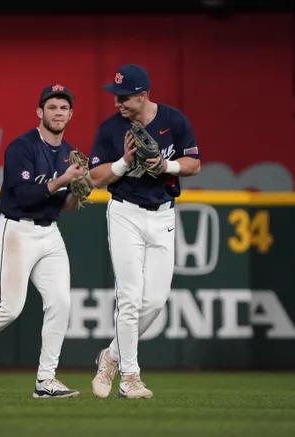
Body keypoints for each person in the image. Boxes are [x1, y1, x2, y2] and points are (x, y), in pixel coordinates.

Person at [0, 84, 87, 398]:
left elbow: (63, 205)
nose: (58, 112)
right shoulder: (22, 147)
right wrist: (65, 180)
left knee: (61, 303)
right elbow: (24, 195)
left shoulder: (68, 154)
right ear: (40, 112)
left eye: (64, 107)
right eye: (52, 107)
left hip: (49, 232)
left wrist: (77, 195)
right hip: (15, 229)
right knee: (9, 308)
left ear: (71, 114)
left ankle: (46, 380)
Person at [88, 64, 202, 399]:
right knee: (129, 297)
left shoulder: (173, 120)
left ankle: (110, 356)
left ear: (143, 95)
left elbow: (195, 163)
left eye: (124, 97)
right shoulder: (111, 129)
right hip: (126, 213)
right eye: (115, 96)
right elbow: (95, 177)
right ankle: (130, 378)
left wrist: (166, 165)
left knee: (154, 300)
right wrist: (124, 162)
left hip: (163, 215)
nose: (117, 103)